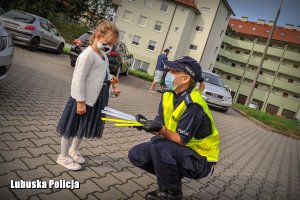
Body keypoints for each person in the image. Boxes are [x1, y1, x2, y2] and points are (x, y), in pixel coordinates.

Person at [129, 56, 219, 200]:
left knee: (158, 145)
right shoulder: (168, 95)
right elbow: (159, 127)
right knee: (136, 154)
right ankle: (172, 179)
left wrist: (162, 130)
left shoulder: (194, 104)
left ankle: (172, 193)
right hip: (181, 151)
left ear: (185, 79)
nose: (169, 74)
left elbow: (181, 139)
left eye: (174, 71)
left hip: (200, 159)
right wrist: (145, 125)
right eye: (169, 70)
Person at [56, 20, 120, 170]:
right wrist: (80, 101)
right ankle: (63, 156)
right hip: (82, 99)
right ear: (98, 36)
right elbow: (78, 79)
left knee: (83, 127)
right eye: (108, 42)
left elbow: (104, 78)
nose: (109, 47)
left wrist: (112, 90)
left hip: (95, 99)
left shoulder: (103, 56)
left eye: (112, 44)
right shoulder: (87, 56)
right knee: (71, 127)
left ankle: (73, 150)